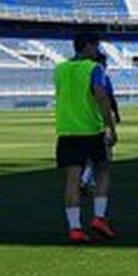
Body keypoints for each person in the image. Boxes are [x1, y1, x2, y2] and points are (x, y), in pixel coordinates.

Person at [54, 31, 118, 245]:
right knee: (103, 170)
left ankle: (75, 229)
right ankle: (99, 218)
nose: (98, 50)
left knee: (72, 181)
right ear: (89, 46)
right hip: (91, 129)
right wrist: (111, 126)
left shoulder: (59, 69)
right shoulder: (94, 68)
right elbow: (100, 94)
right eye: (96, 46)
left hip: (66, 131)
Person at [80, 47, 117, 197]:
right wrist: (114, 118)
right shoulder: (102, 77)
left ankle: (89, 181)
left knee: (91, 154)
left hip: (86, 119)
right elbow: (108, 98)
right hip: (100, 120)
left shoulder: (85, 76)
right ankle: (85, 181)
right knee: (104, 156)